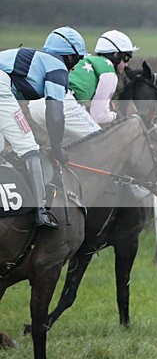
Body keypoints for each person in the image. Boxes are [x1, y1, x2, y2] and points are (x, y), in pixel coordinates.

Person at [0, 26, 86, 227]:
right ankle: (41, 212)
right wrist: (57, 149)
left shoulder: (42, 60)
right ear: (69, 57)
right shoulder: (57, 67)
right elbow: (55, 114)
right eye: (78, 59)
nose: (75, 67)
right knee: (29, 147)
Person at [29, 29, 139, 140]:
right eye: (126, 58)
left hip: (35, 106)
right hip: (60, 102)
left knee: (73, 145)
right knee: (101, 141)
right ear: (116, 55)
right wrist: (117, 115)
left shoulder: (87, 59)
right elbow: (99, 116)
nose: (126, 64)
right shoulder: (109, 72)